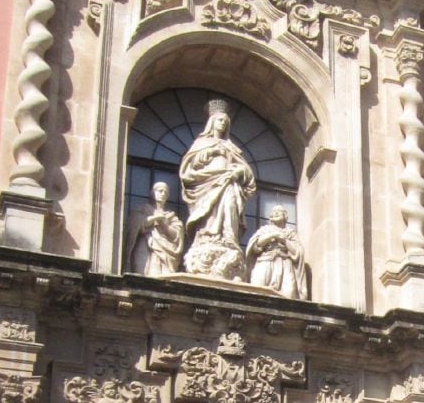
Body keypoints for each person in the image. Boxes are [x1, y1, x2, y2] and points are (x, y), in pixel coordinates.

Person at [180, 102, 256, 282]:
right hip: (207, 185)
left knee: (230, 208)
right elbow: (190, 166)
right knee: (208, 215)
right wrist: (212, 151)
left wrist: (239, 172)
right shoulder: (202, 143)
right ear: (212, 123)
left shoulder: (232, 147)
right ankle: (207, 238)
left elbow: (247, 173)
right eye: (219, 120)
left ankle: (228, 240)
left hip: (229, 184)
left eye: (225, 121)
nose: (222, 123)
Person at [245, 205, 308, 298]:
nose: (276, 212)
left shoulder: (290, 233)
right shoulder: (265, 229)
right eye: (274, 211)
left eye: (279, 211)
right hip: (265, 261)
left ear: (285, 216)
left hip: (285, 264)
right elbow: (256, 244)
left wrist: (285, 241)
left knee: (289, 294)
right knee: (257, 291)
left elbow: (298, 252)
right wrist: (273, 235)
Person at [129, 181, 184, 276]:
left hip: (166, 252)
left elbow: (177, 235)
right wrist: (156, 218)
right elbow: (138, 225)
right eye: (160, 191)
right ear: (152, 193)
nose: (163, 194)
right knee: (143, 273)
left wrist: (165, 226)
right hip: (146, 245)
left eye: (166, 192)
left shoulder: (171, 216)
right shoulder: (143, 210)